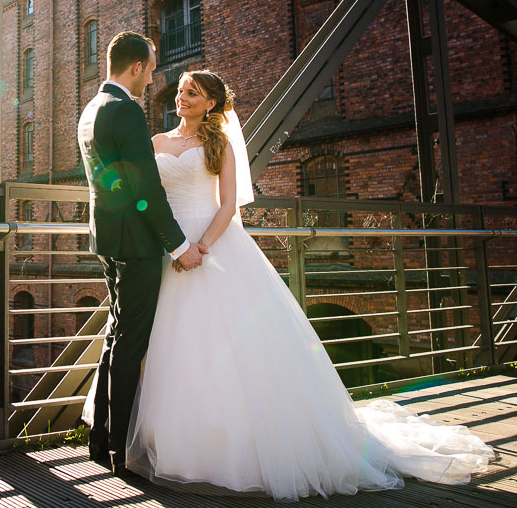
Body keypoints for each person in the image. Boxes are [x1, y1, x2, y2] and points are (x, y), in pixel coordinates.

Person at [124, 69, 494, 500]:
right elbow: (145, 196)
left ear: (211, 103)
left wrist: (202, 247)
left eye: (193, 92)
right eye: (182, 90)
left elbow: (228, 205)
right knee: (175, 345)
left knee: (226, 346)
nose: (182, 97)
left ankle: (231, 447)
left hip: (212, 249)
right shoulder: (157, 143)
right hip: (169, 251)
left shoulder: (219, 144)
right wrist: (171, 246)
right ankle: (173, 439)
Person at [76, 31, 208, 475]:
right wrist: (179, 244)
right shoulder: (126, 111)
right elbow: (144, 187)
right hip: (137, 245)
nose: (151, 79)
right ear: (135, 68)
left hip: (107, 241)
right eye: (150, 70)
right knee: (130, 343)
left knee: (116, 337)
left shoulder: (91, 110)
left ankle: (100, 441)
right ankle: (119, 452)